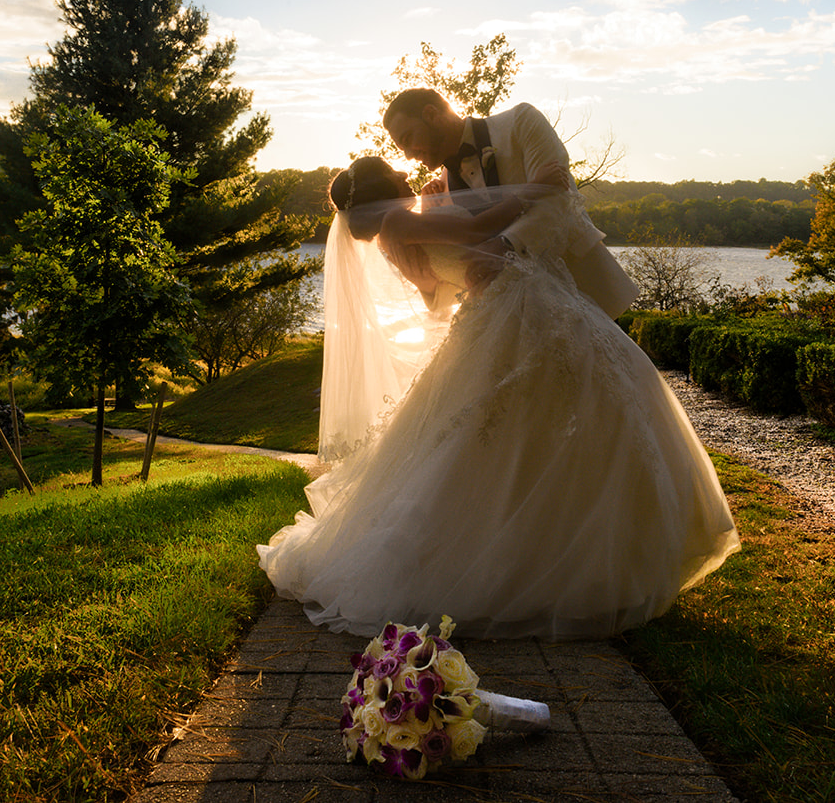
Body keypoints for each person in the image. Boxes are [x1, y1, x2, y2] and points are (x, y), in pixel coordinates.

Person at [257, 155, 740, 641]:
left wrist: (445, 220)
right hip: (518, 307)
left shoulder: (391, 237)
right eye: (395, 171)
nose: (405, 173)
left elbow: (434, 292)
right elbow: (480, 230)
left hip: (499, 311)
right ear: (384, 185)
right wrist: (531, 191)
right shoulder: (396, 218)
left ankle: (535, 550)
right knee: (541, 420)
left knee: (496, 436)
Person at [382, 88, 638, 319]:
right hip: (504, 320)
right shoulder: (439, 191)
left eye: (407, 139)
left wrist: (504, 246)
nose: (408, 155)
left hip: (580, 295)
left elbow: (559, 200)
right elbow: (467, 274)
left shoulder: (521, 122)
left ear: (431, 114)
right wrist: (426, 285)